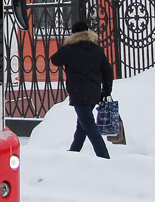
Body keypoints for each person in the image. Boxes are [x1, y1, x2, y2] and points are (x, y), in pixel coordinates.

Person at [49, 19, 114, 159]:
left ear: (73, 34)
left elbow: (55, 60)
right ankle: (74, 152)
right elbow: (107, 70)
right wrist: (107, 90)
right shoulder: (96, 49)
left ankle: (104, 156)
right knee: (82, 125)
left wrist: (67, 46)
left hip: (79, 93)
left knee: (88, 125)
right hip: (94, 93)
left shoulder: (70, 49)